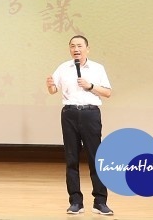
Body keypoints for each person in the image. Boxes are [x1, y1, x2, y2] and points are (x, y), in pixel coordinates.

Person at [45, 34, 113, 216]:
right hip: (69, 114)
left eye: (79, 46)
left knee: (96, 158)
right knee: (72, 159)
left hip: (90, 114)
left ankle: (100, 202)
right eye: (72, 46)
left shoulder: (98, 68)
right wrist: (50, 85)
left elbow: (108, 93)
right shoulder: (63, 68)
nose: (76, 49)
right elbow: (53, 90)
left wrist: (90, 86)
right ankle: (75, 201)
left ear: (87, 49)